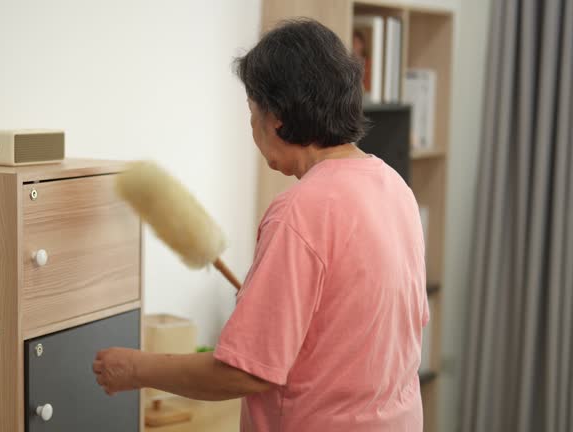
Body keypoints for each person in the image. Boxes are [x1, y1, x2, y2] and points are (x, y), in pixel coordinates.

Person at [92, 18, 428, 431]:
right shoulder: (393, 186)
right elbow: (358, 326)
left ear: (278, 120)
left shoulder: (299, 212)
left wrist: (135, 368)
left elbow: (245, 372)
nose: (252, 128)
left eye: (253, 113)